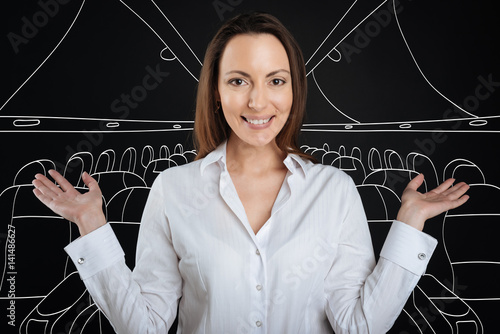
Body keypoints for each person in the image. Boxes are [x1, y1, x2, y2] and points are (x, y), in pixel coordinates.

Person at [32, 12, 470, 333]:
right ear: (217, 92)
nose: (258, 103)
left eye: (276, 81)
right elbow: (143, 327)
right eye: (239, 81)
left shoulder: (334, 191)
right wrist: (91, 224)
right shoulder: (174, 189)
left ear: (294, 88)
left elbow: (360, 326)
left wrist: (410, 222)